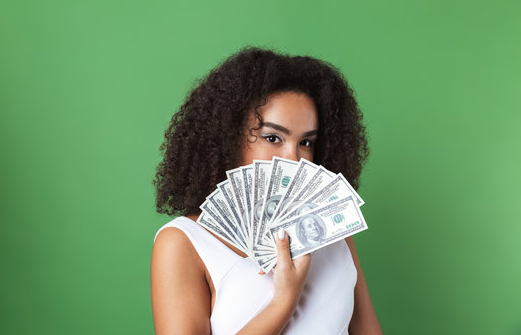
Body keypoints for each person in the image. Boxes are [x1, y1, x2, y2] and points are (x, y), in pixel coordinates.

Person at [150, 47, 383, 334]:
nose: (293, 159)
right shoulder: (185, 242)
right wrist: (283, 302)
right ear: (228, 138)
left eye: (306, 142)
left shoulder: (334, 228)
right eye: (273, 137)